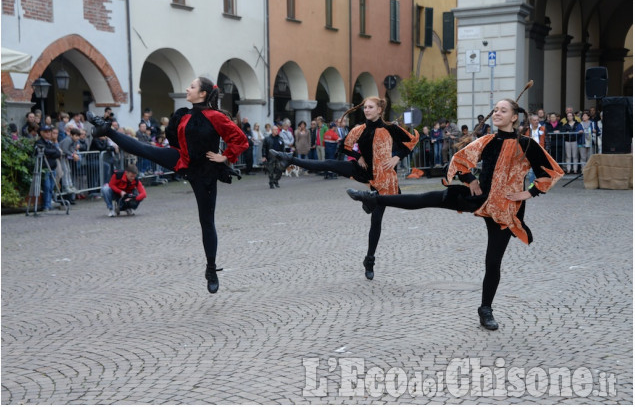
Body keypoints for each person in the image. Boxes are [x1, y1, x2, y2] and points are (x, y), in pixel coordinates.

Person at [347, 97, 564, 331]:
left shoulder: (528, 145)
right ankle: (373, 198)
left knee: (492, 262)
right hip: (478, 197)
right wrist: (470, 179)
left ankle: (485, 309)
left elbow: (551, 172)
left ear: (514, 117)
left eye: (503, 110)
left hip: (504, 209)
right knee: (427, 198)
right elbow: (459, 160)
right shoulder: (487, 140)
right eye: (495, 110)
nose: (497, 113)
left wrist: (528, 193)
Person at [88, 76, 249, 294]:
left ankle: (210, 268)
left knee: (206, 221)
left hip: (205, 172)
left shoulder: (215, 117)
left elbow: (240, 139)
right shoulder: (184, 115)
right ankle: (107, 130)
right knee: (144, 148)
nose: (187, 88)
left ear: (203, 93)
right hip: (182, 160)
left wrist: (225, 157)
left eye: (192, 86)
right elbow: (177, 140)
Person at [269, 96, 419, 279]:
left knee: (376, 221)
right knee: (330, 163)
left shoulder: (390, 128)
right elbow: (346, 147)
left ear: (380, 109)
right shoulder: (359, 129)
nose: (367, 110)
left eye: (371, 107)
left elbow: (411, 142)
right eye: (365, 107)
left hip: (384, 178)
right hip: (363, 170)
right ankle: (289, 159)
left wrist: (397, 157)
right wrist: (358, 157)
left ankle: (369, 259)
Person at [33, 125, 61, 212]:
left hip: (52, 167)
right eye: (46, 131)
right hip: (45, 168)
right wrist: (51, 153)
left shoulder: (50, 143)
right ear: (41, 133)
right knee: (47, 187)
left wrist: (50, 153)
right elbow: (43, 151)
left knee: (51, 187)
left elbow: (58, 153)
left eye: (49, 131)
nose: (48, 133)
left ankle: (48, 204)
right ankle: (46, 205)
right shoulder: (39, 142)